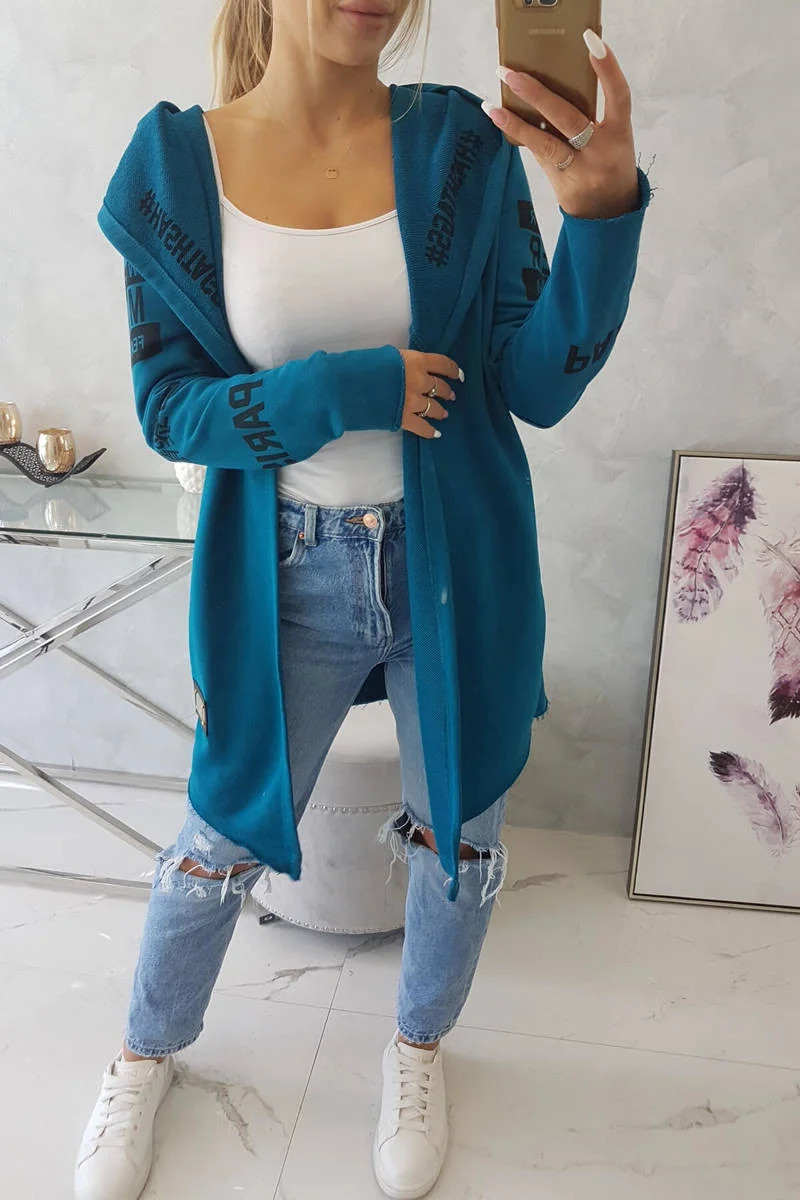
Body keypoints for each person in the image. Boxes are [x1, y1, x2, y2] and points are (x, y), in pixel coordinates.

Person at [76, 2, 651, 1197]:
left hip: (460, 567)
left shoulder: (462, 147)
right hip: (282, 576)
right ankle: (142, 1053)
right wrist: (341, 389)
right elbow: (171, 410)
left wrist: (598, 219)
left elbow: (534, 385)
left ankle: (417, 1045)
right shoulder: (173, 169)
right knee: (219, 837)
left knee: (462, 840)